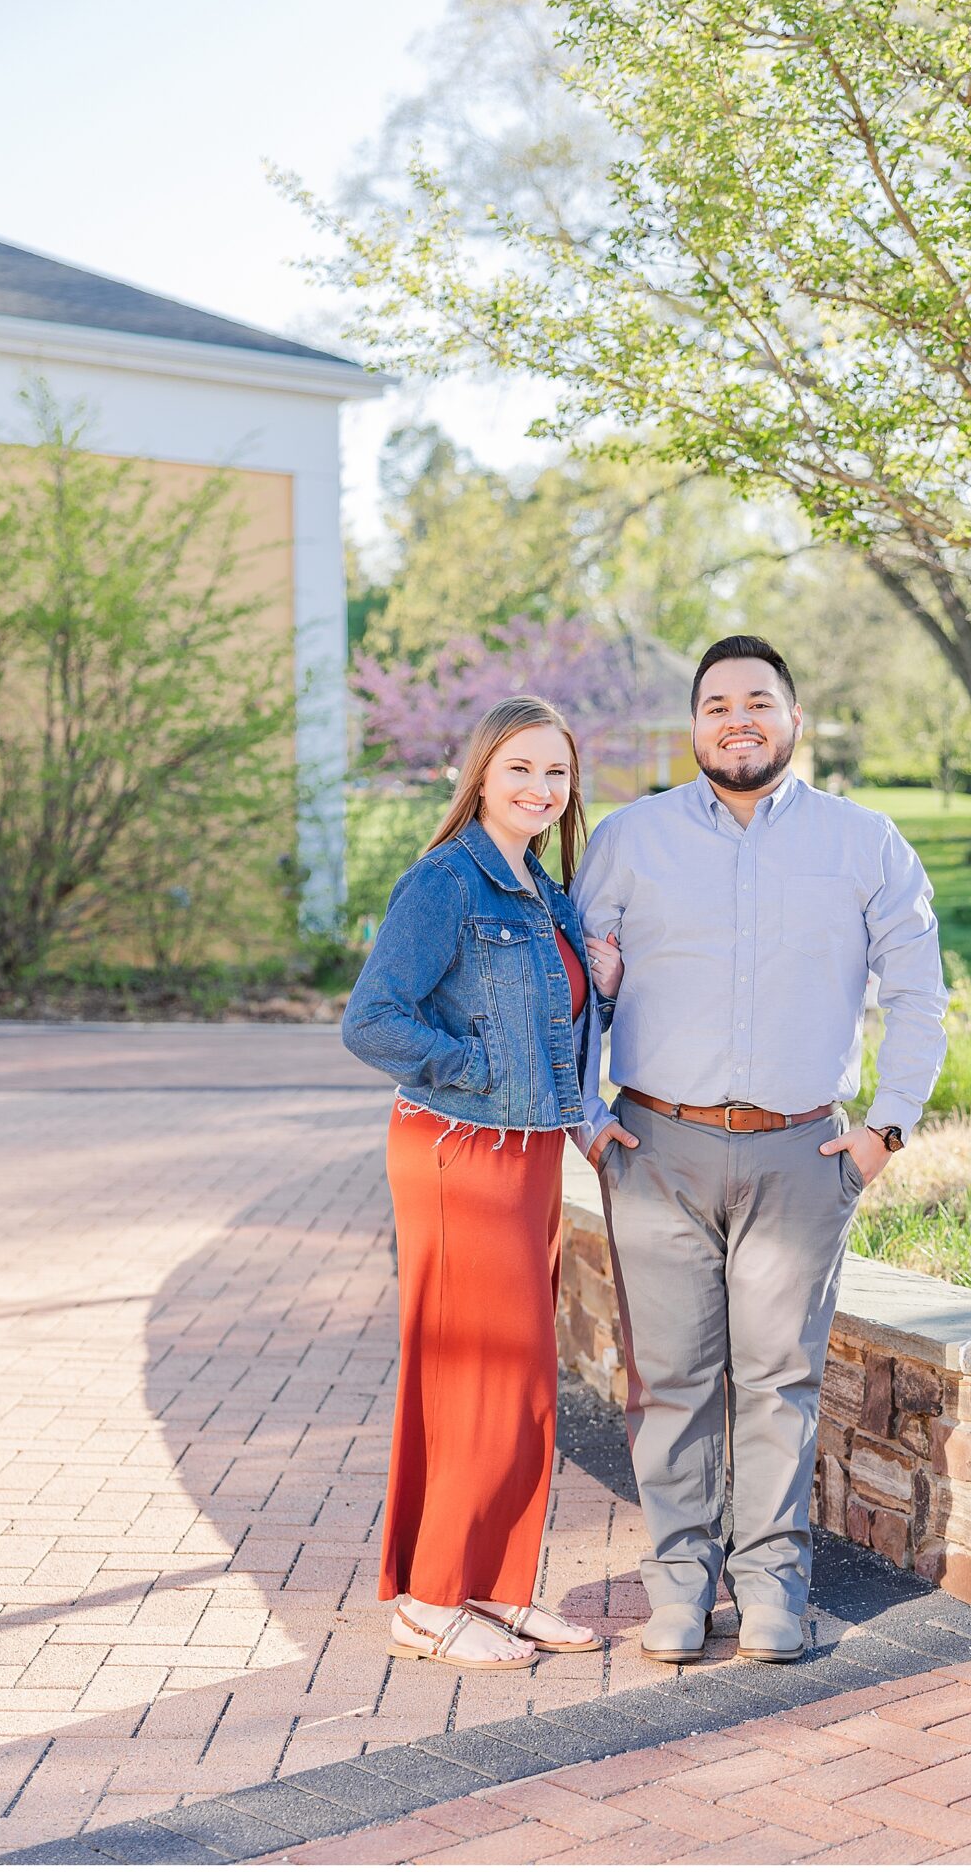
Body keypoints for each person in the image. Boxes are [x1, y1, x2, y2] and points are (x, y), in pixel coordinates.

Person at [573, 636, 947, 1664]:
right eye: (715, 703)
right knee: (675, 1380)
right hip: (653, 1143)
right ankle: (679, 1583)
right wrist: (580, 1111)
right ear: (691, 724)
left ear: (792, 716)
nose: (736, 718)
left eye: (757, 700)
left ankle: (773, 1584)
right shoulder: (628, 837)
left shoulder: (864, 842)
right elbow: (571, 985)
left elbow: (918, 993)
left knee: (778, 1377)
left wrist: (885, 1127)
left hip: (799, 1152)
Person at [342, 696, 620, 1670]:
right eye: (521, 768)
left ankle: (490, 1587)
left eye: (556, 772)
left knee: (522, 1382)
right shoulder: (446, 881)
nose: (541, 788)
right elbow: (371, 1019)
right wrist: (470, 1069)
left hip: (528, 1152)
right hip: (458, 1151)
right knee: (473, 1375)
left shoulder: (542, 888)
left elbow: (549, 1022)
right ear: (480, 775)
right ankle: (427, 1599)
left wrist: (602, 975)